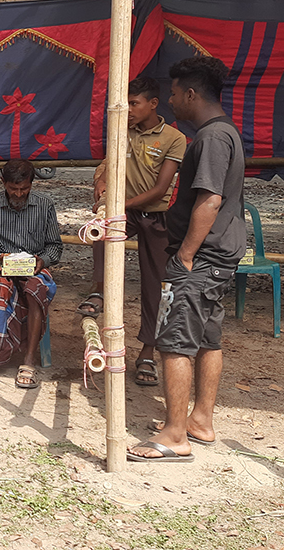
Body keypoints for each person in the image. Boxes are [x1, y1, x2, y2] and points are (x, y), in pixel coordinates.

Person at [128, 56, 245, 464]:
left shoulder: (211, 138)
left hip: (203, 255)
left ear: (192, 94)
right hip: (220, 253)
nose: (172, 101)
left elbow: (209, 200)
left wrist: (185, 255)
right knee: (209, 338)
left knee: (173, 341)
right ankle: (201, 419)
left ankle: (175, 434)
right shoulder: (225, 132)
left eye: (175, 93)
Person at [80, 77, 186, 387]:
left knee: (156, 287)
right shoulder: (121, 131)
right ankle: (99, 290)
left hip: (155, 215)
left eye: (134, 103)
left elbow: (160, 189)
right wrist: (101, 182)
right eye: (125, 103)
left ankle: (147, 353)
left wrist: (119, 204)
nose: (127, 110)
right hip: (123, 212)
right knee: (101, 229)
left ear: (153, 104)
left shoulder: (174, 138)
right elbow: (105, 166)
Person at [0, 159, 63, 390]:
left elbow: (55, 246)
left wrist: (42, 261)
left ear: (32, 183)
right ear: (3, 182)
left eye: (24, 188)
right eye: (13, 189)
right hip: (0, 267)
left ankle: (29, 359)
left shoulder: (45, 205)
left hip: (33, 266)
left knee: (36, 290)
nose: (19, 194)